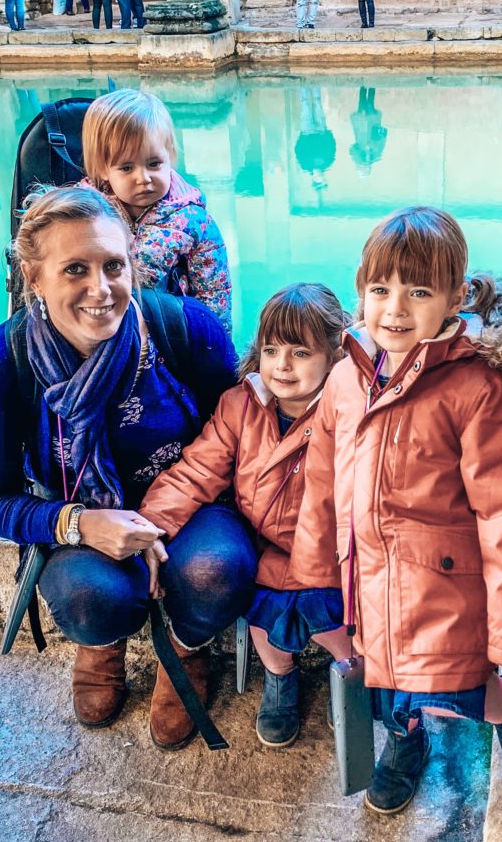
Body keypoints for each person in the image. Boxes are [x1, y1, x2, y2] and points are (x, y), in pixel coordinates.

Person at [0, 185, 257, 749]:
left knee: (216, 569)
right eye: (75, 269)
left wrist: (163, 514)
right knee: (88, 597)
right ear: (34, 277)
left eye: (113, 266)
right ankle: (102, 644)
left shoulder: (185, 329)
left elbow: (239, 433)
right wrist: (80, 524)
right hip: (77, 511)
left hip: (188, 500)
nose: (101, 290)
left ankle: (187, 647)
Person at [290, 206, 502, 814]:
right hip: (367, 582)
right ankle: (404, 742)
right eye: (381, 290)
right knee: (386, 690)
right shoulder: (344, 378)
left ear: (456, 297)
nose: (395, 310)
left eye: (419, 292)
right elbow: (322, 485)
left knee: (462, 690)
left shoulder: (479, 391)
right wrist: (311, 580)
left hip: (448, 590)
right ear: (360, 289)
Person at [139, 283, 352, 747]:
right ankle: (280, 681)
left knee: (341, 632)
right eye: (272, 349)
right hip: (267, 550)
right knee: (265, 629)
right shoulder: (240, 404)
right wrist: (149, 528)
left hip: (329, 556)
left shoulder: (352, 412)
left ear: (337, 353)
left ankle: (351, 682)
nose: (282, 365)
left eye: (300, 352)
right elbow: (196, 470)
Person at [81, 89, 233, 333]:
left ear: (170, 155)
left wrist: (215, 344)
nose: (144, 178)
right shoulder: (83, 215)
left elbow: (213, 292)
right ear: (102, 169)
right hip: (99, 327)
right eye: (127, 168)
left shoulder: (193, 220)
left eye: (154, 164)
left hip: (169, 334)